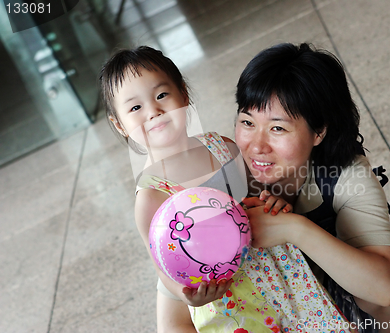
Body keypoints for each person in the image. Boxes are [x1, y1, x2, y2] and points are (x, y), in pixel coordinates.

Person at [101, 46, 338, 333]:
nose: (154, 112)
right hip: (228, 297)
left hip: (275, 269)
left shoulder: (222, 146)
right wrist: (188, 293)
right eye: (135, 108)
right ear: (120, 124)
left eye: (162, 95)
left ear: (184, 95)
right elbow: (163, 269)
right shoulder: (152, 195)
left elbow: (255, 194)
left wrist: (272, 202)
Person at [236, 43, 390, 333]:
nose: (256, 146)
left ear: (319, 131)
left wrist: (294, 229)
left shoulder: (345, 173)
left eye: (278, 128)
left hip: (336, 300)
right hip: (264, 316)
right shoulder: (223, 169)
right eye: (247, 121)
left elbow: (383, 289)